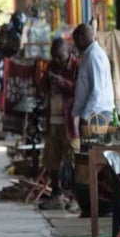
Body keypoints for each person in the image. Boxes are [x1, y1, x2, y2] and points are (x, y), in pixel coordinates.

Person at [38, 37, 79, 210]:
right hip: (52, 120)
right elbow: (42, 91)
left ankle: (77, 197)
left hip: (71, 121)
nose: (57, 60)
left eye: (60, 57)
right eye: (54, 56)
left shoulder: (77, 66)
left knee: (74, 159)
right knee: (52, 159)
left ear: (68, 52)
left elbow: (79, 90)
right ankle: (56, 194)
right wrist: (46, 80)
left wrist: (60, 81)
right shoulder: (52, 66)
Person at [70, 23, 115, 147]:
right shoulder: (90, 54)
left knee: (92, 156)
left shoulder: (94, 55)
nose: (75, 45)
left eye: (75, 40)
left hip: (96, 115)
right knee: (88, 155)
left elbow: (97, 91)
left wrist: (85, 115)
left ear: (81, 37)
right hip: (94, 113)